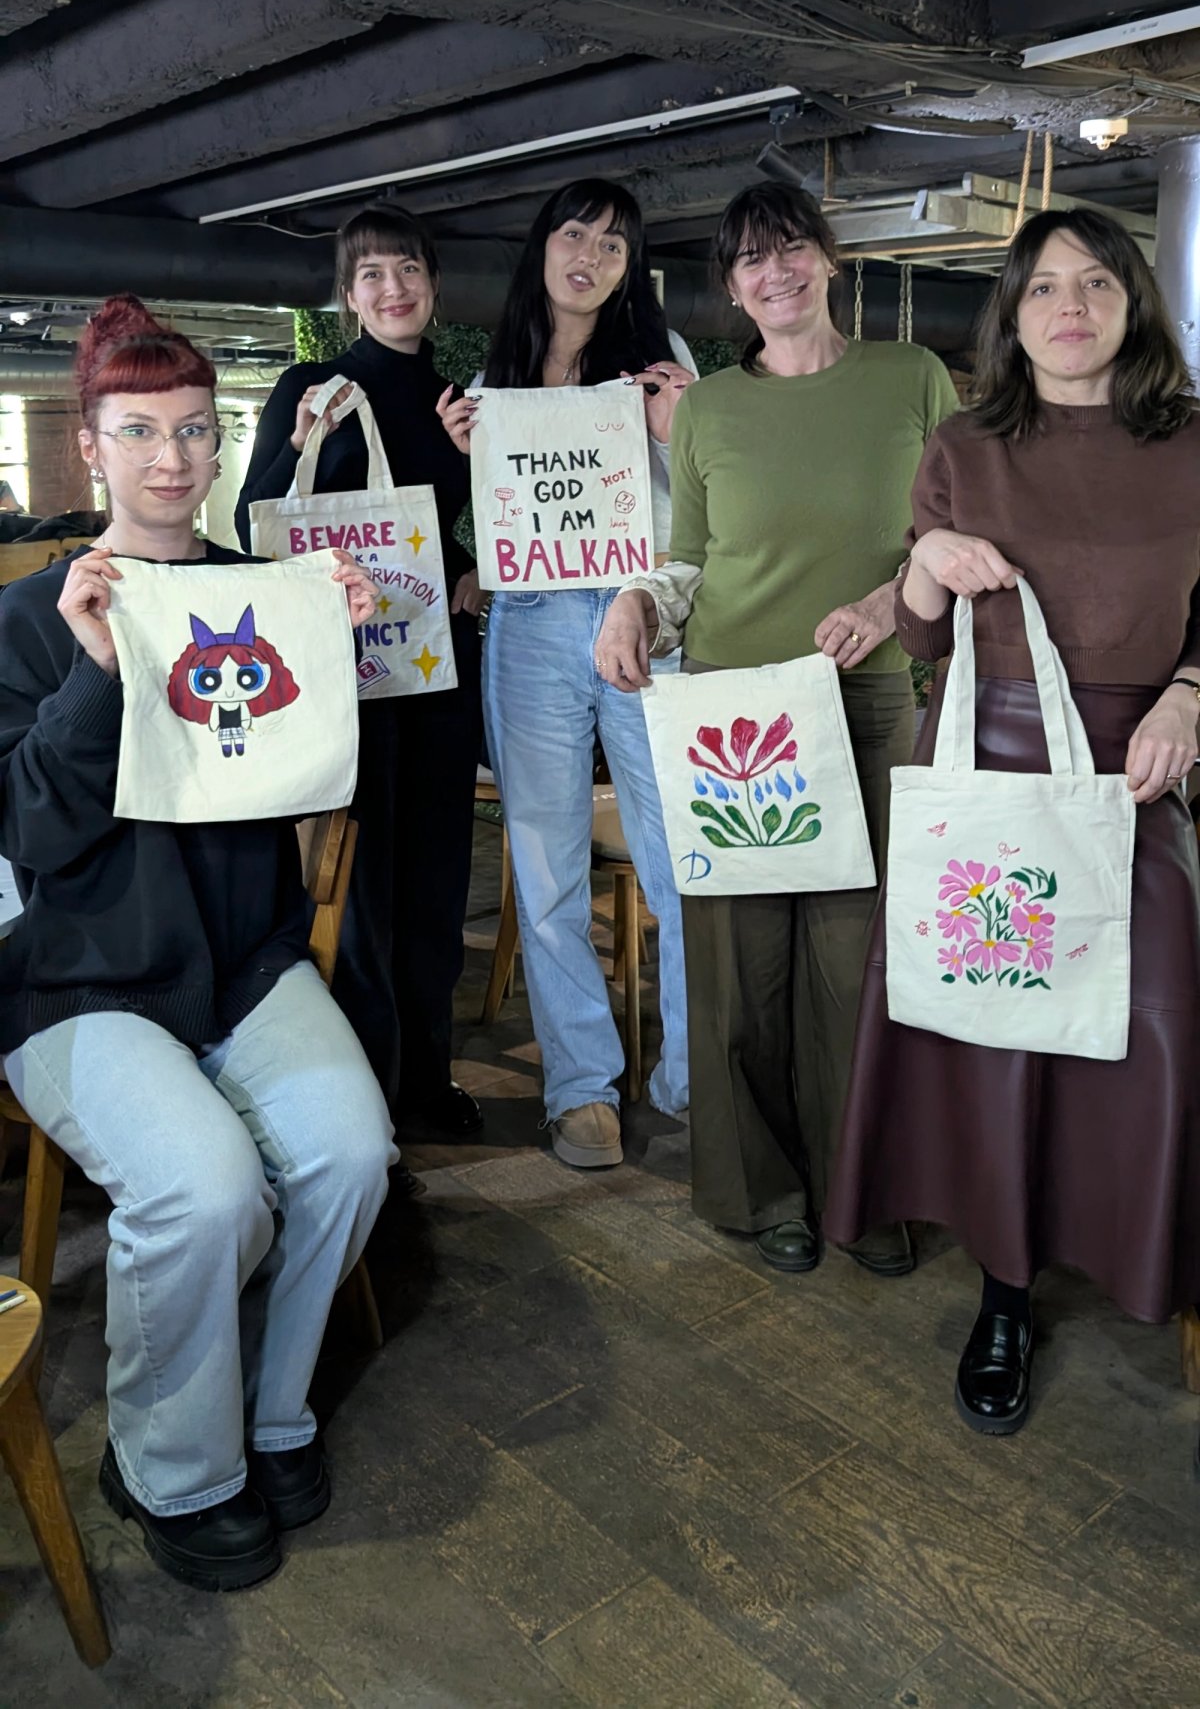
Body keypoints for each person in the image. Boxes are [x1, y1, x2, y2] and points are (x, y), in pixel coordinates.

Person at [0, 296, 395, 1592]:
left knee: (350, 1148)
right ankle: (173, 1462)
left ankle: (274, 1415)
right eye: (138, 432)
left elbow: (311, 778)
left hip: (239, 960)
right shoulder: (26, 617)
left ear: (217, 444)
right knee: (207, 1185)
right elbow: (30, 835)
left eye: (191, 430)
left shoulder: (255, 592)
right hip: (79, 981)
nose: (170, 457)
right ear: (90, 450)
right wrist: (95, 675)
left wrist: (338, 651)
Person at [826, 209, 1200, 1438]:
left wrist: (1192, 696)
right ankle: (1003, 1290)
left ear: (1133, 303)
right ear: (1014, 313)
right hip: (987, 768)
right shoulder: (966, 441)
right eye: (1045, 288)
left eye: (1097, 282)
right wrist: (926, 557)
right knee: (1000, 1039)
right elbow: (926, 633)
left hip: (1134, 777)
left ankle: (1137, 1258)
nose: (1071, 306)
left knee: (1140, 1037)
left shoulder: (1193, 441)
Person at [596, 181, 958, 1272]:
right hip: (734, 711)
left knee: (860, 966)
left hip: (868, 697)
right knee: (741, 971)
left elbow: (953, 537)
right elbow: (692, 562)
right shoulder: (707, 408)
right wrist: (635, 601)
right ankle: (765, 1197)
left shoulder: (912, 379)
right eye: (752, 260)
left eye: (792, 248)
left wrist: (893, 605)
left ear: (829, 258)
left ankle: (870, 1191)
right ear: (733, 286)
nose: (776, 272)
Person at [438, 178, 696, 1168]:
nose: (589, 255)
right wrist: (471, 460)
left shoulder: (660, 360)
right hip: (532, 617)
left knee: (678, 856)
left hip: (637, 607)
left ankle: (685, 1075)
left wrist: (685, 430)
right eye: (574, 233)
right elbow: (504, 526)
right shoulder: (497, 371)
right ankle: (581, 1086)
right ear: (543, 245)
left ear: (633, 270)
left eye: (615, 246)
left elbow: (700, 492)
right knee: (544, 862)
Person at [237, 206, 484, 1136]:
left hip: (436, 673)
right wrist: (299, 443)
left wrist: (466, 521)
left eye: (409, 269)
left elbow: (447, 534)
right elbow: (253, 524)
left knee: (436, 882)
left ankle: (427, 1076)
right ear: (349, 295)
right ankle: (363, 1089)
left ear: (432, 284)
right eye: (373, 274)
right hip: (348, 681)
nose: (394, 288)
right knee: (363, 886)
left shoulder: (454, 400)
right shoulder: (313, 387)